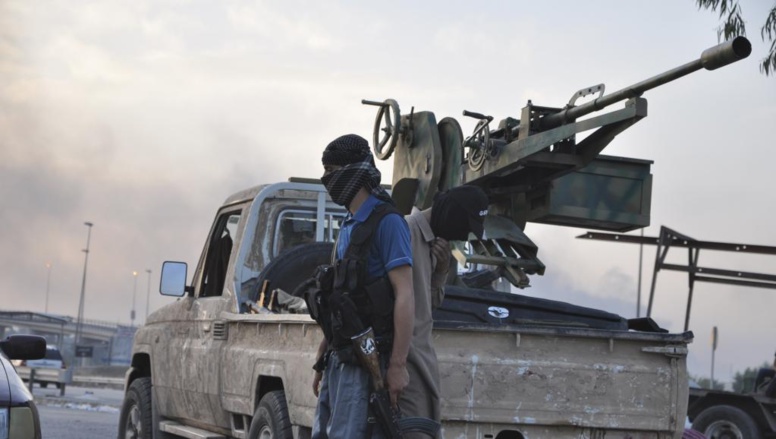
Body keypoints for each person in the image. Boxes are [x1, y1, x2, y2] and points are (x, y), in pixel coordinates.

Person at [310, 134, 414, 439]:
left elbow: (406, 295)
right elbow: (339, 300)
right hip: (340, 358)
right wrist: (321, 360)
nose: (326, 179)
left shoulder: (388, 222)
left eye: (331, 171)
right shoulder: (349, 224)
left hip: (368, 358)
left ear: (351, 171)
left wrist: (397, 365)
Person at [400, 185, 489, 438]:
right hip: (405, 362)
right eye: (465, 226)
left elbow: (428, 305)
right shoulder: (404, 232)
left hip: (420, 360)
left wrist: (440, 273)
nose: (462, 236)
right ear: (452, 214)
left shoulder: (436, 245)